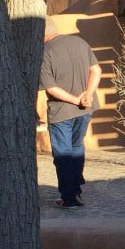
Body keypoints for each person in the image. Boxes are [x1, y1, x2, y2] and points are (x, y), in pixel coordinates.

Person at [39, 18, 102, 208]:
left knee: (63, 154)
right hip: (85, 109)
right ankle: (76, 189)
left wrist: (75, 99)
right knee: (76, 148)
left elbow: (51, 88)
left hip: (61, 112)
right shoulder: (80, 42)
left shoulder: (44, 52)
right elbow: (97, 70)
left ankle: (69, 197)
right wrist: (87, 96)